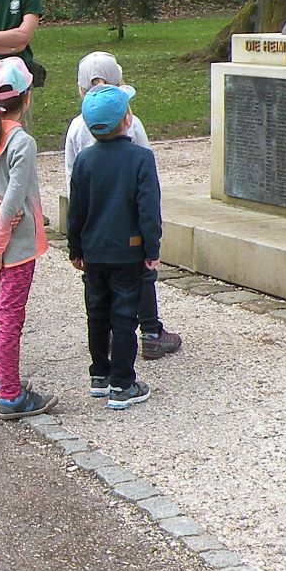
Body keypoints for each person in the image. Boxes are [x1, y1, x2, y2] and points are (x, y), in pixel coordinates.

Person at [63, 51, 182, 361]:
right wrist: (152, 240)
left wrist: (76, 239)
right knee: (141, 276)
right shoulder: (133, 124)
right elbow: (147, 183)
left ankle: (107, 338)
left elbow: (72, 181)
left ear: (80, 90)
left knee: (98, 287)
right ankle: (150, 332)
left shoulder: (77, 127)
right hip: (129, 224)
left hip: (94, 227)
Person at [0, 57, 54, 419]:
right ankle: (11, 395)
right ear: (27, 97)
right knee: (8, 318)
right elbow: (14, 202)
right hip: (12, 249)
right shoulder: (23, 143)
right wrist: (0, 241)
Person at [66, 85, 161, 412]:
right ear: (126, 120)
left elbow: (76, 210)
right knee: (124, 315)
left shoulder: (84, 160)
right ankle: (123, 382)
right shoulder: (141, 158)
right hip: (128, 250)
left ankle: (100, 374)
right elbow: (148, 209)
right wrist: (151, 248)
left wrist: (75, 247)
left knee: (97, 312)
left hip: (94, 251)